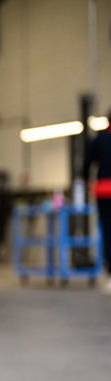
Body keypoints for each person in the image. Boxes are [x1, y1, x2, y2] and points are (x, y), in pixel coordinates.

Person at [84, 111, 111, 294]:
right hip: (105, 191)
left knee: (109, 232)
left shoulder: (100, 139)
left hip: (105, 192)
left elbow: (86, 164)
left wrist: (86, 181)